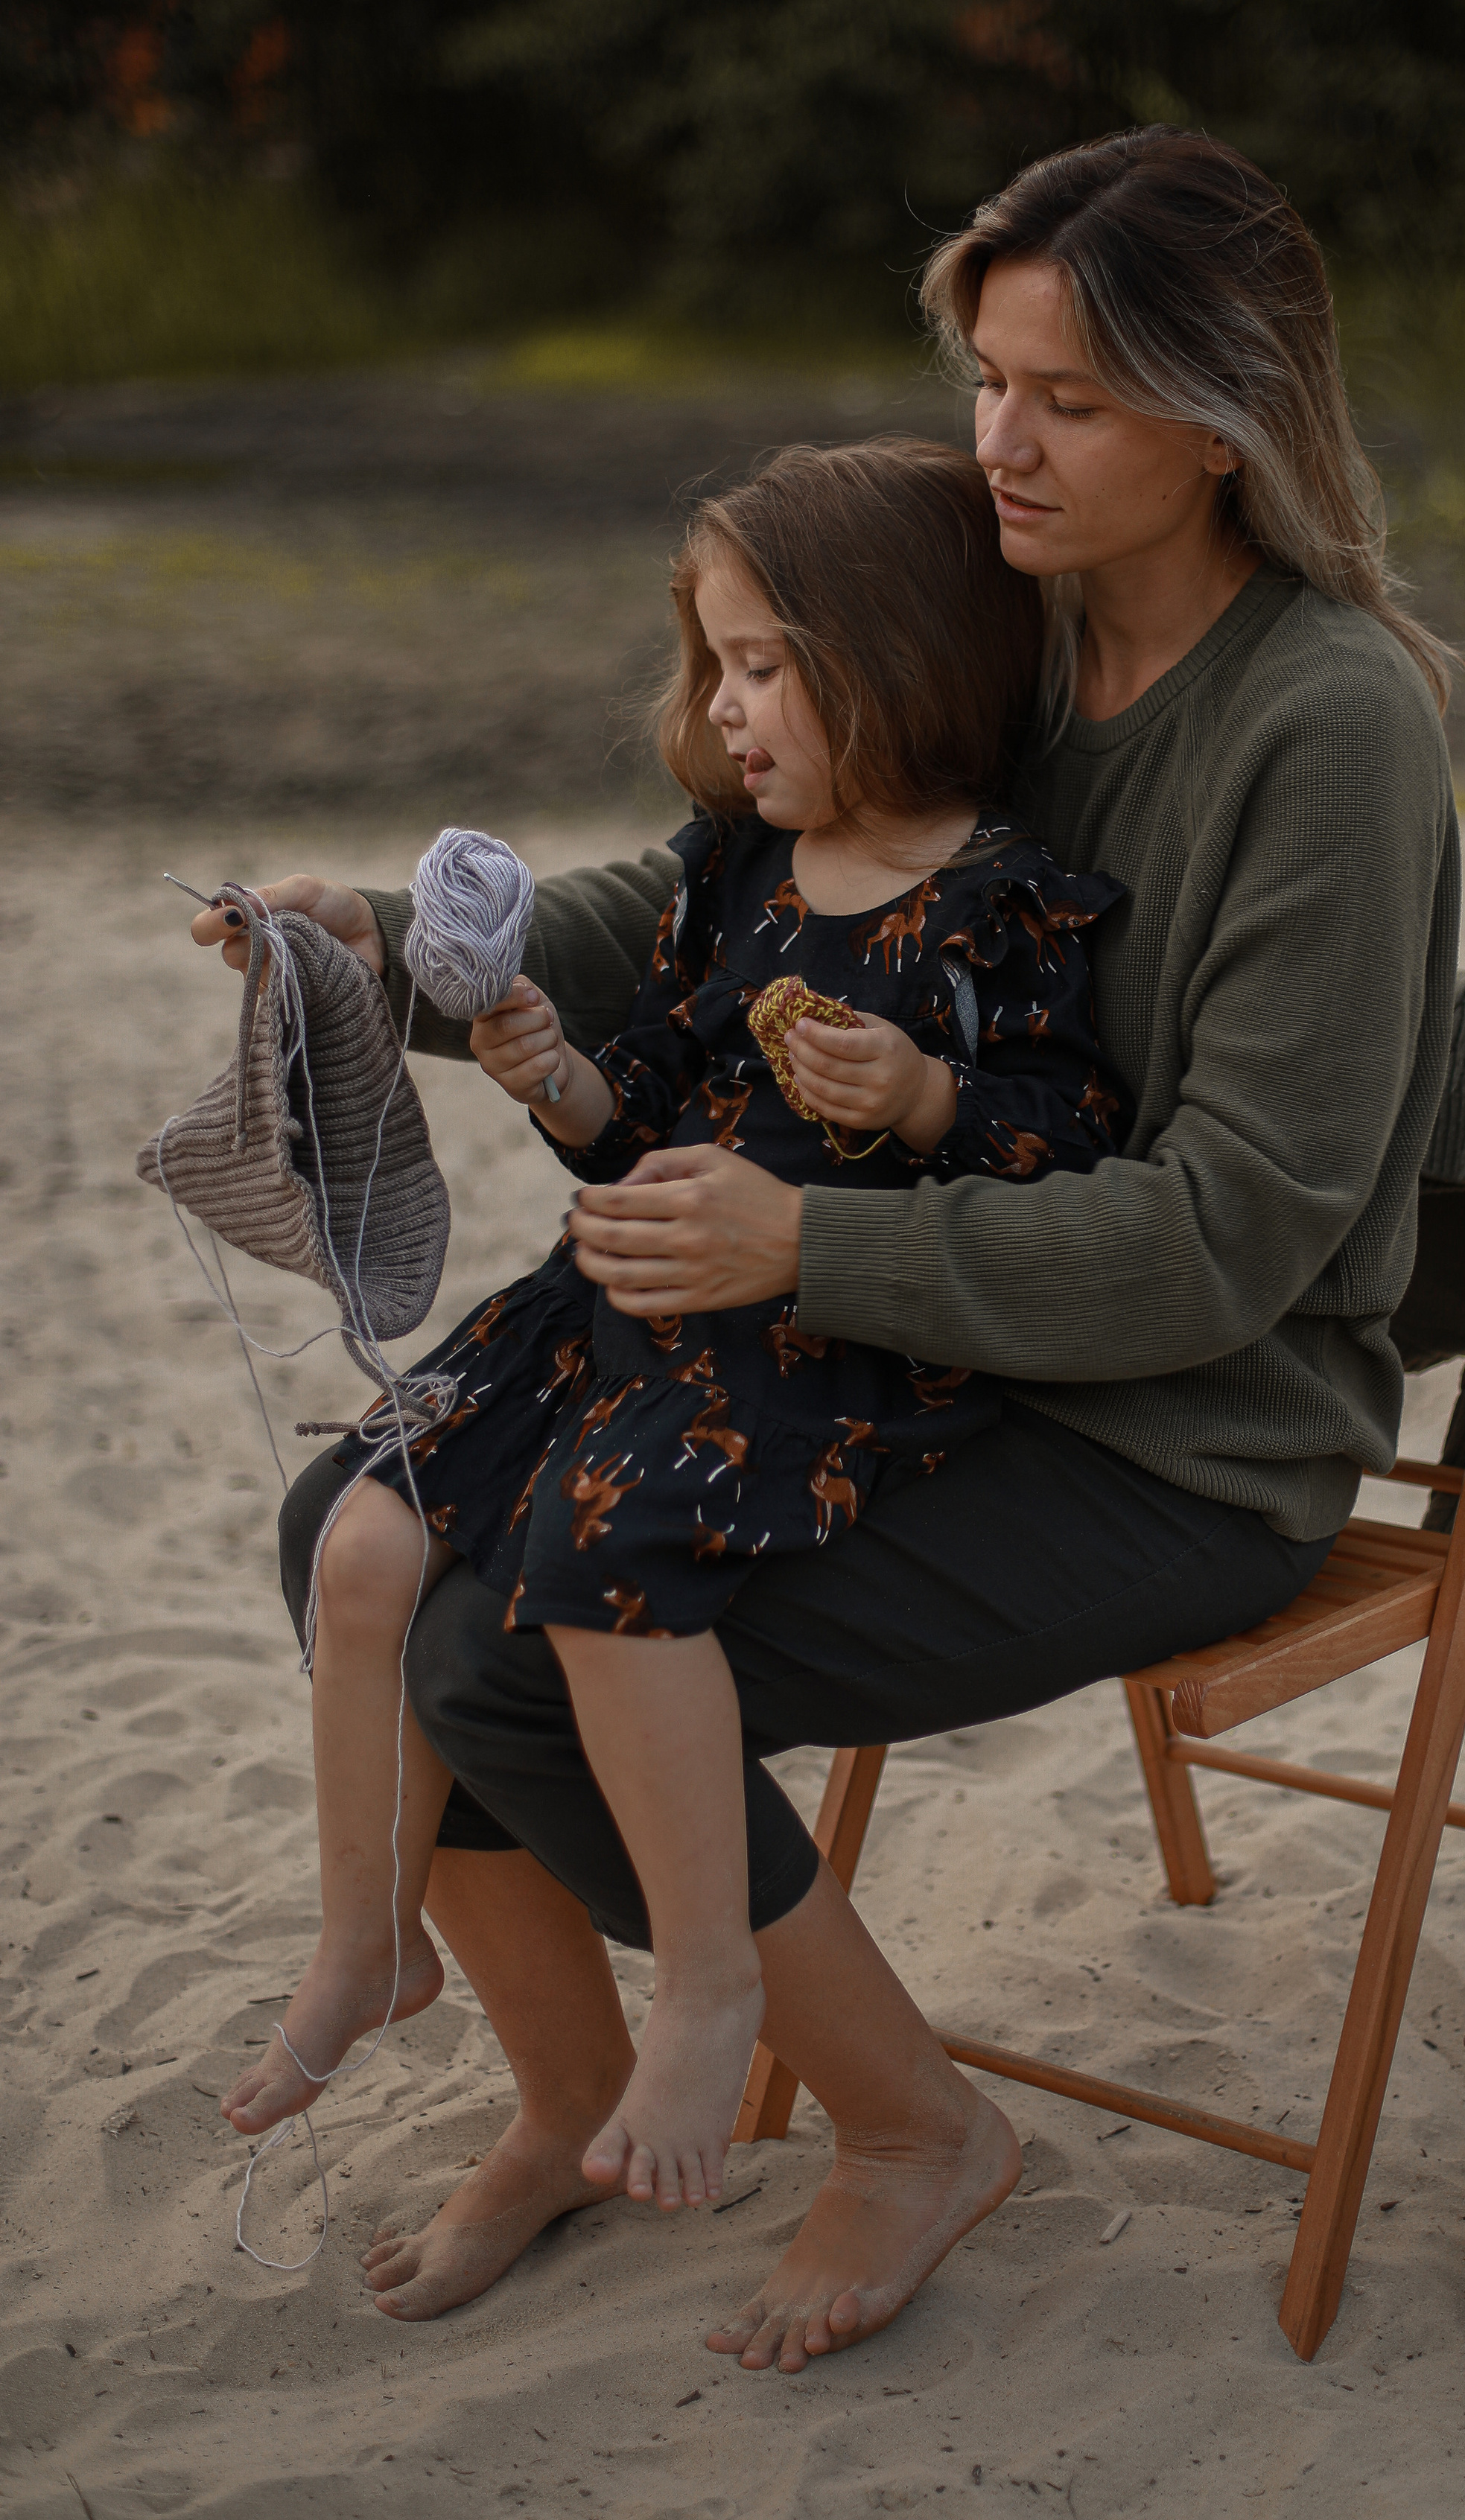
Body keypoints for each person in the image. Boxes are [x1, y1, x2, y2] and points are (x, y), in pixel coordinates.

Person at [196, 125, 1461, 2373]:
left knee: (505, 1650)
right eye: (988, 378)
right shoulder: (1014, 617)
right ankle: (568, 2090)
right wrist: (380, 941)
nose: (999, 442)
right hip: (913, 1352)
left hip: (1183, 1427)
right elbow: (723, 883)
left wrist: (805, 1252)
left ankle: (909, 2132)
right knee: (353, 1529)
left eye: (1064, 397)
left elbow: (1234, 1235)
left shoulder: (1327, 728)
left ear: (1227, 409)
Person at [217, 439, 1124, 2221]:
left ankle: (708, 1980)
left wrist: (933, 1099)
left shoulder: (1000, 905)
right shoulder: (734, 871)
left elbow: (1069, 1145)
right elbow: (657, 1120)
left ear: (907, 662)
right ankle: (367, 1939)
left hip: (812, 1328)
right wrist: (562, 1079)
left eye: (763, 664)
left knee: (595, 1554)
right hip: (622, 1293)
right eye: (715, 664)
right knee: (362, 1528)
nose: (724, 708)